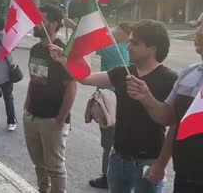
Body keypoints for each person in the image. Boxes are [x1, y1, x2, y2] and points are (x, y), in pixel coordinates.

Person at [50, 19, 178, 193]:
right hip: (118, 157)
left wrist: (161, 165)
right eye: (128, 41)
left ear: (152, 47)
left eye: (134, 43)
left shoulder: (169, 79)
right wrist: (63, 60)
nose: (127, 47)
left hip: (148, 161)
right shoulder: (122, 72)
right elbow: (84, 78)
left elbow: (172, 122)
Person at [126, 12, 203, 193]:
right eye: (198, 24)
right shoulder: (188, 74)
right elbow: (170, 119)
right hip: (185, 176)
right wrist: (147, 98)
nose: (198, 31)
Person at [65, 20, 131, 189]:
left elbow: (90, 42)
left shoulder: (113, 49)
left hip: (108, 101)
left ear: (125, 33)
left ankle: (107, 177)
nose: (114, 31)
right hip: (123, 100)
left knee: (108, 142)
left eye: (117, 29)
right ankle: (122, 176)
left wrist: (73, 26)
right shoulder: (127, 50)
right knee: (119, 140)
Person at [23, 4, 77, 193]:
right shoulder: (35, 49)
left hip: (52, 119)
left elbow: (71, 86)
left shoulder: (62, 52)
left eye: (41, 20)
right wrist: (27, 108)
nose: (35, 24)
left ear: (54, 24)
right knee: (39, 165)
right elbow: (33, 79)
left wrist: (61, 119)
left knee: (55, 168)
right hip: (32, 116)